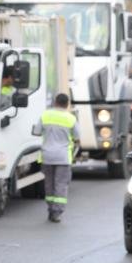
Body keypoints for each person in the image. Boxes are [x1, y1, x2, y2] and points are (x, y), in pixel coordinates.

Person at [33, 93, 80, 223]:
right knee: (61, 184)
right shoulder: (71, 118)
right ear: (67, 104)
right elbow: (77, 137)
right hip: (63, 157)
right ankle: (57, 212)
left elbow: (36, 132)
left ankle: (50, 208)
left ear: (55, 102)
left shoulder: (45, 115)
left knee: (49, 184)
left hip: (47, 156)